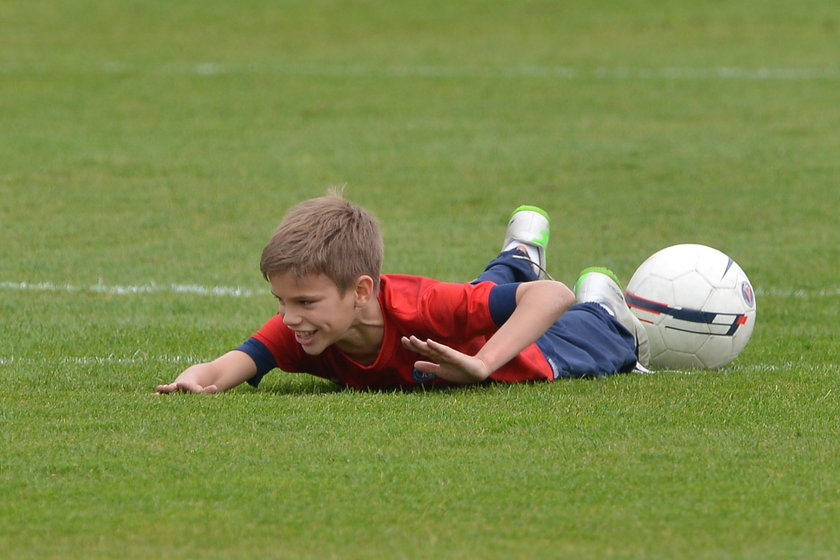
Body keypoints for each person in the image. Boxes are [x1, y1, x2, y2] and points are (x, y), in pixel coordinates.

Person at [156, 193, 649, 394]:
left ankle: (602, 305)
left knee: (608, 340)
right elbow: (226, 367)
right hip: (465, 310)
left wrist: (482, 365)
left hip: (530, 349)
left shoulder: (420, 307)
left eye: (305, 302)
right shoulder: (300, 332)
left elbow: (551, 296)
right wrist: (193, 381)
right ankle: (519, 255)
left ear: (362, 291)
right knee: (480, 296)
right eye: (281, 302)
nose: (289, 318)